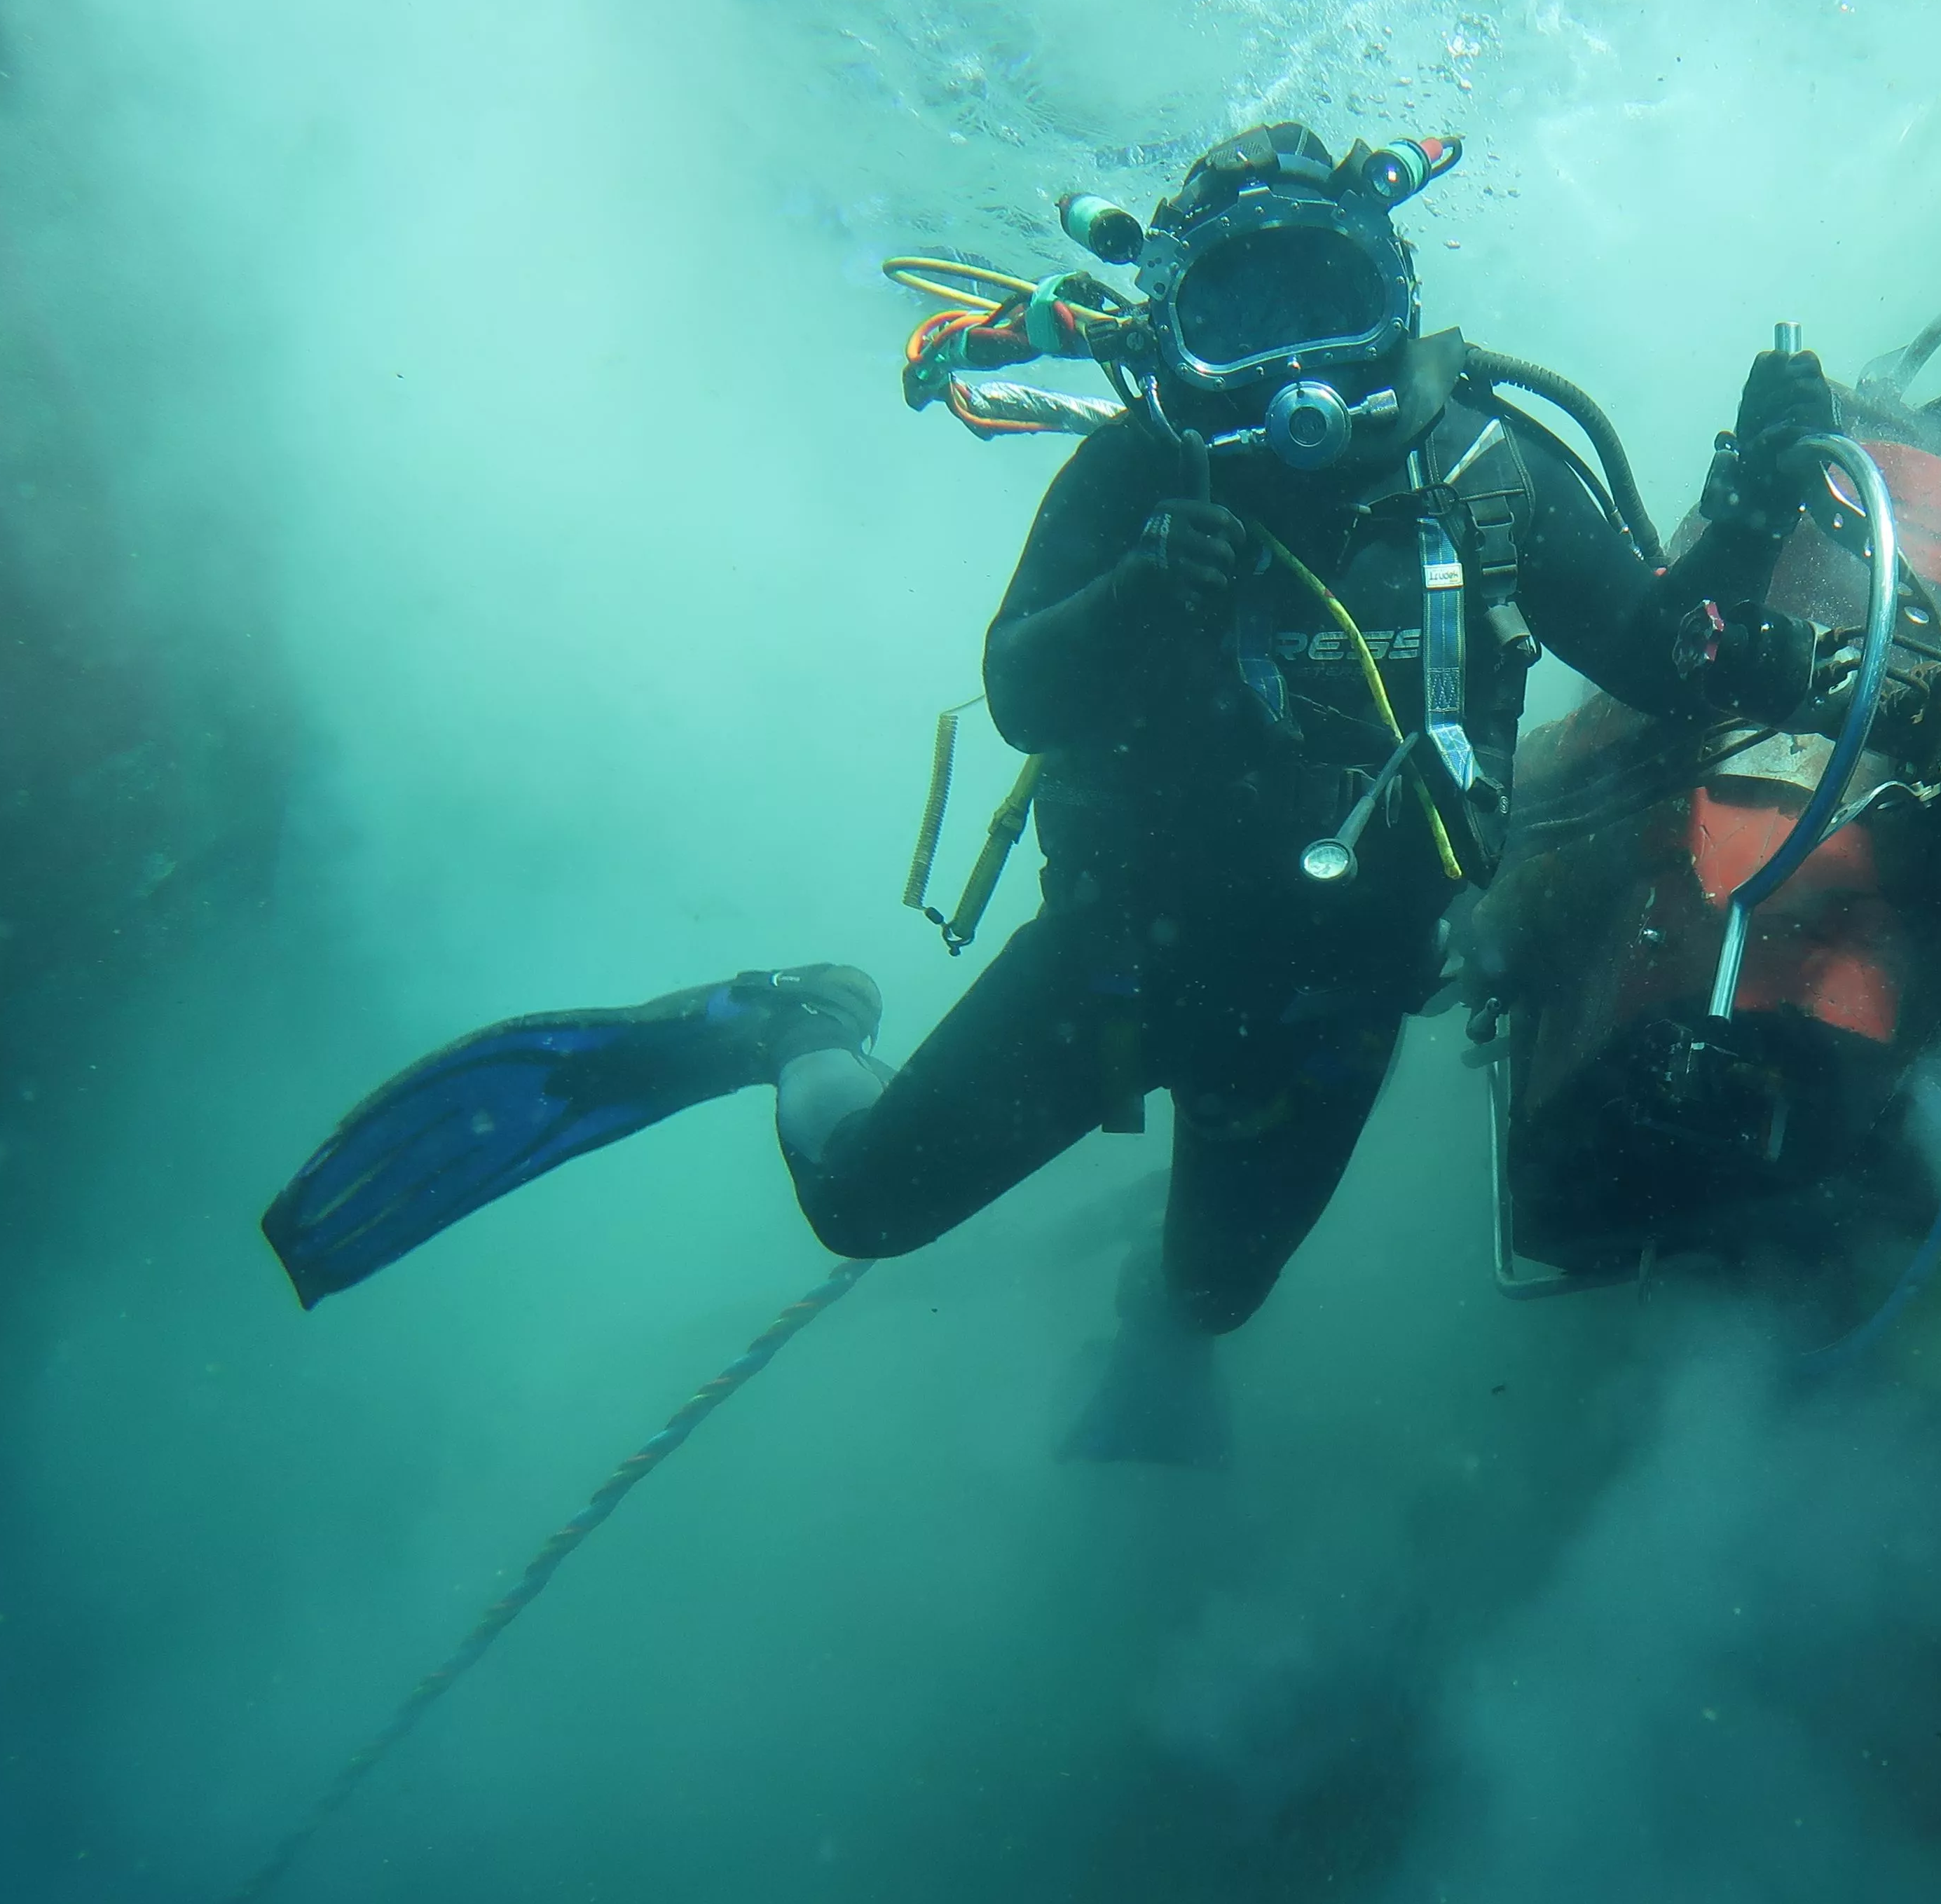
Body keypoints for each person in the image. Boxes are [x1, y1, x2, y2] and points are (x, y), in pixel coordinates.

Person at [263, 123, 1839, 1460]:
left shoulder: (1490, 479)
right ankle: (793, 1031)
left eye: (1327, 302)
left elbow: (1655, 651)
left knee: (1220, 1290)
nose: (1293, 374)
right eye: (1243, 317)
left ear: (1395, 298)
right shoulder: (1148, 475)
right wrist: (1145, 592)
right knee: (867, 1208)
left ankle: (1155, 1360)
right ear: (1177, 333)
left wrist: (1754, 498)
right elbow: (1025, 682)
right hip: (1123, 951)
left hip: (1338, 1000)